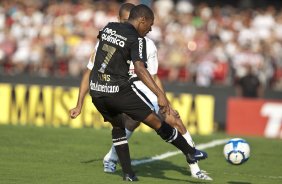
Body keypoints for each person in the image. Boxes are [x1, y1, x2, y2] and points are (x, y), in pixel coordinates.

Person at [70, 4, 210, 181]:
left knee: (118, 127)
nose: (150, 29)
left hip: (97, 92)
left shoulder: (108, 28)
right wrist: (160, 95)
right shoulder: (136, 39)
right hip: (118, 91)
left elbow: (95, 60)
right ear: (142, 20)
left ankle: (128, 173)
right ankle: (190, 152)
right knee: (156, 122)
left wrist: (79, 104)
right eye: (150, 25)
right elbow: (140, 69)